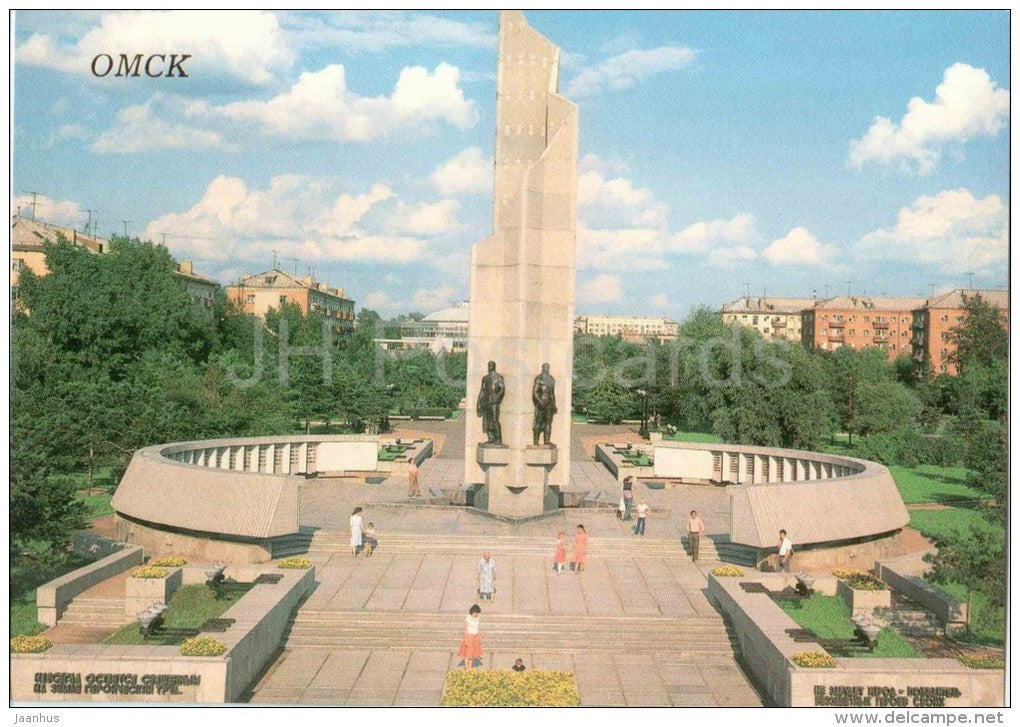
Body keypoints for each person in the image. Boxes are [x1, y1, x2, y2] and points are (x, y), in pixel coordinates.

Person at [457, 605, 483, 669]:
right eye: (476, 613)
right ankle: (467, 667)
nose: (477, 614)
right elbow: (466, 630)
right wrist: (466, 639)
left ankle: (470, 667)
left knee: (472, 654)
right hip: (469, 636)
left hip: (476, 636)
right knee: (467, 654)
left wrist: (479, 637)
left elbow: (477, 628)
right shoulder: (468, 619)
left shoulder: (478, 617)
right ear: (473, 612)